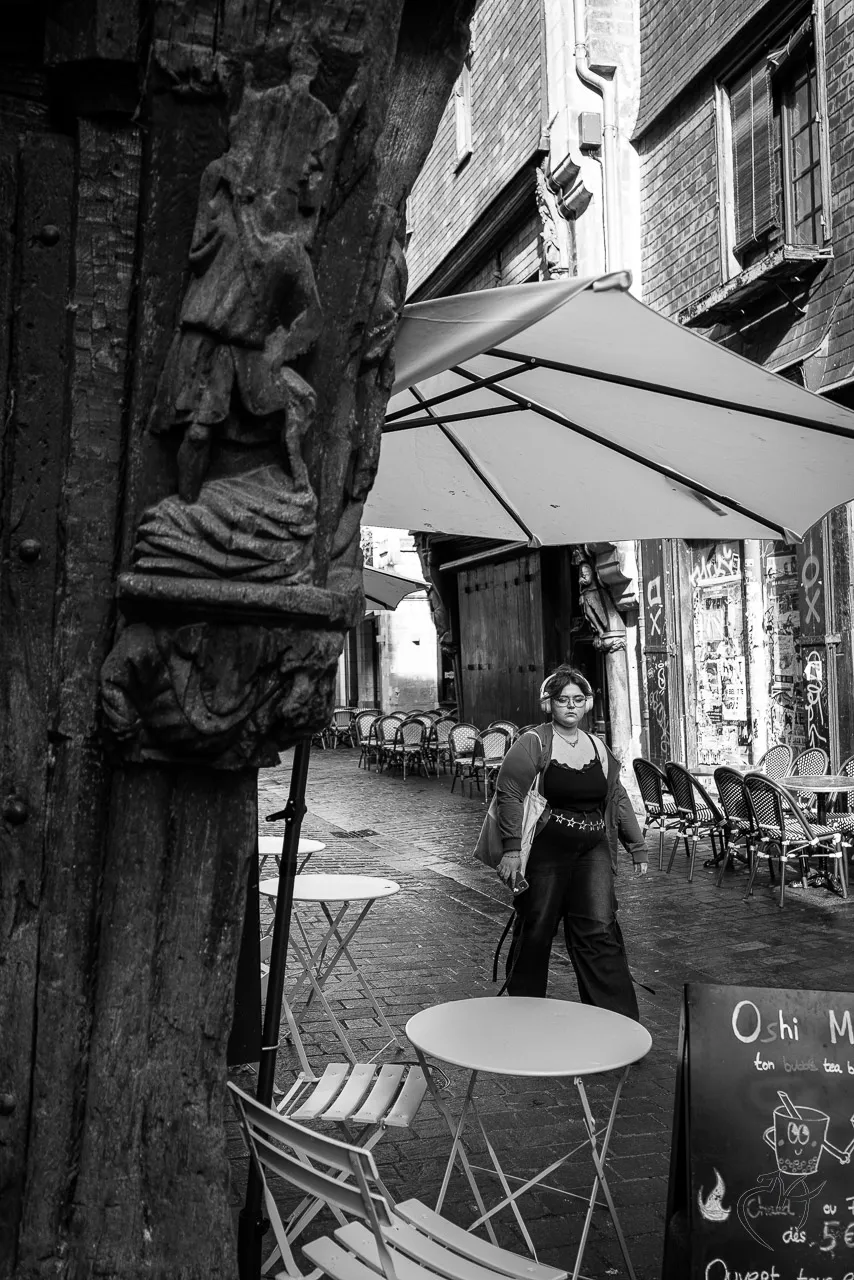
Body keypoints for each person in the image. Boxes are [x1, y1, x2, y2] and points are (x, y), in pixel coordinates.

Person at [494, 664, 648, 1021]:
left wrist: (636, 844)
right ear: (549, 704)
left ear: (587, 704)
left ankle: (615, 1019)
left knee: (599, 928)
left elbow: (616, 796)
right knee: (537, 927)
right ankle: (523, 1013)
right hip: (547, 852)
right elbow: (509, 792)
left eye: (578, 700)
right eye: (563, 699)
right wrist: (512, 849)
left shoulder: (597, 746)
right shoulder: (534, 742)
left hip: (592, 849)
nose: (571, 706)